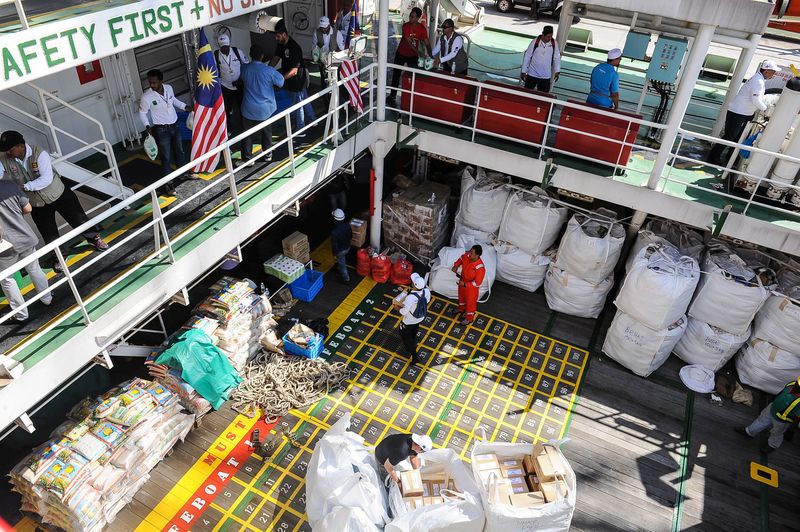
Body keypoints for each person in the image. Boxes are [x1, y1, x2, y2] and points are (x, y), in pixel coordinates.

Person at [0, 130, 108, 272]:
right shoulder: (5, 159)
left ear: (21, 146)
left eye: (10, 149)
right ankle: (59, 256)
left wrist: (24, 187)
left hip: (59, 194)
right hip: (37, 203)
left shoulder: (40, 154)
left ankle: (94, 238)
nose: (7, 152)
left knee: (79, 219)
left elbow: (46, 179)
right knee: (48, 232)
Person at [708, 60, 779, 166]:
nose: (774, 74)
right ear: (766, 71)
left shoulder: (758, 79)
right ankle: (713, 157)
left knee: (738, 137)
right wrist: (766, 110)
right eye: (773, 72)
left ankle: (731, 156)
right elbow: (756, 100)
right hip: (739, 113)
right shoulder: (758, 82)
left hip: (744, 113)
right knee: (730, 136)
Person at [0, 180, 52, 322]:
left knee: (7, 280)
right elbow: (28, 208)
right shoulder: (9, 185)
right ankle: (47, 298)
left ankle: (21, 314)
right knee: (35, 269)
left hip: (4, 247)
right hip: (24, 237)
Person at [139, 68, 191, 195]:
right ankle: (168, 184)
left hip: (175, 126)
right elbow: (142, 112)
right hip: (161, 130)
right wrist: (147, 126)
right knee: (166, 157)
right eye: (150, 83)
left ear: (161, 81)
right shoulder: (147, 97)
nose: (152, 85)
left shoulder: (168, 88)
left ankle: (182, 173)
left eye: (154, 82)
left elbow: (173, 100)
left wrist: (185, 107)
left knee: (180, 151)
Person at [238, 45, 285, 167]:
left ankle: (248, 158)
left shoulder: (244, 69)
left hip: (248, 108)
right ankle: (268, 154)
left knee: (247, 133)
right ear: (262, 56)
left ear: (250, 54)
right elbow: (281, 82)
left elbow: (238, 78)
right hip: (265, 109)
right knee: (266, 131)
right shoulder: (268, 70)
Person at [273, 19, 316, 138]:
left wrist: (280, 79)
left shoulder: (294, 48)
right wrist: (268, 70)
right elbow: (276, 57)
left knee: (298, 104)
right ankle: (313, 120)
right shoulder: (281, 45)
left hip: (298, 79)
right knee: (304, 99)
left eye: (278, 36)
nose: (276, 39)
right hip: (291, 79)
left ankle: (301, 129)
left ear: (284, 35)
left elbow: (294, 71)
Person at [735, 377, 800, 454]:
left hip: (782, 420)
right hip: (772, 408)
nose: (796, 386)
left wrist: (791, 430)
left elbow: (797, 417)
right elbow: (781, 392)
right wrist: (772, 400)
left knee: (776, 433)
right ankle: (749, 432)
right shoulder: (791, 384)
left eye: (798, 386)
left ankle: (772, 445)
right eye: (797, 384)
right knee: (761, 420)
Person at [215, 33, 250, 153]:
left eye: (226, 46)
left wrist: (242, 81)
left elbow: (246, 65)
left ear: (229, 44)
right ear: (219, 46)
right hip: (225, 87)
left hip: (239, 86)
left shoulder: (237, 52)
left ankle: (244, 125)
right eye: (222, 47)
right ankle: (228, 128)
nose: (225, 49)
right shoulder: (216, 55)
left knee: (242, 106)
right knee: (227, 109)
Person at [389, 7, 431, 101]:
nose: (410, 18)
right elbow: (409, 43)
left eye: (413, 17)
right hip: (401, 53)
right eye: (410, 16)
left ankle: (412, 97)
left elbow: (427, 43)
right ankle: (392, 95)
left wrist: (431, 55)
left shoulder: (422, 29)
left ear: (417, 18)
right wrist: (420, 53)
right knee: (396, 74)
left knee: (413, 76)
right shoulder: (406, 26)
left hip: (412, 56)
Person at [393, 272, 430, 366]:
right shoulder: (427, 291)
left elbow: (404, 312)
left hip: (409, 321)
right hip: (420, 317)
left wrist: (397, 308)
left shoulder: (410, 298)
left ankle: (414, 355)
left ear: (414, 285)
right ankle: (413, 339)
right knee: (413, 331)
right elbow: (427, 301)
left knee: (404, 335)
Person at [314, 16, 345, 106]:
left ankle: (339, 103)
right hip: (323, 63)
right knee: (324, 83)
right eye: (321, 28)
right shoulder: (316, 33)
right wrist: (317, 53)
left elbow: (342, 48)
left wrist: (333, 54)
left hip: (335, 64)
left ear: (328, 26)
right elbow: (314, 46)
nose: (323, 29)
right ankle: (327, 104)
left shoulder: (337, 33)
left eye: (324, 28)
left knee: (338, 82)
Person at [520, 25, 561, 92]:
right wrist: (523, 71)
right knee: (527, 94)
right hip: (532, 74)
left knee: (543, 97)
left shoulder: (554, 43)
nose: (550, 38)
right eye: (548, 36)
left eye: (551, 36)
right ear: (543, 35)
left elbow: (557, 57)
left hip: (545, 76)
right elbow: (527, 56)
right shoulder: (535, 42)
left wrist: (557, 71)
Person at [451, 244, 485, 324]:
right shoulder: (467, 256)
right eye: (470, 251)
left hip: (471, 289)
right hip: (462, 282)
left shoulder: (480, 268)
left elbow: (477, 283)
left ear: (477, 255)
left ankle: (469, 319)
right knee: (461, 297)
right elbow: (461, 258)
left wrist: (465, 285)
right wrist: (456, 265)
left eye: (472, 253)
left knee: (470, 303)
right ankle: (461, 309)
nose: (469, 254)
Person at [331, 208, 352, 284]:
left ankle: (346, 279)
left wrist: (334, 254)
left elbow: (335, 245)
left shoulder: (334, 232)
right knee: (341, 261)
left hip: (340, 251)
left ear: (335, 219)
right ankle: (337, 267)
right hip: (348, 246)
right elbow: (350, 236)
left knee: (342, 264)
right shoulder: (347, 226)